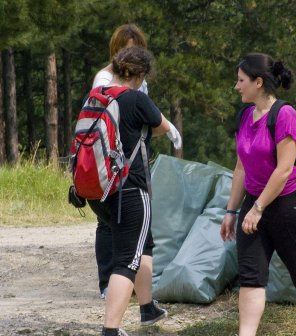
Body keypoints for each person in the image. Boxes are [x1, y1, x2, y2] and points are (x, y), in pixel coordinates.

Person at [220, 53, 296, 336]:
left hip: (290, 204)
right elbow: (240, 167)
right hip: (255, 202)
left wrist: (258, 209)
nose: (237, 87)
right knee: (250, 276)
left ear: (258, 82)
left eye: (241, 81)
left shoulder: (285, 115)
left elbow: (284, 170)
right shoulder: (245, 116)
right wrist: (231, 211)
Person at [90, 23, 181, 300]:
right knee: (108, 223)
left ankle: (135, 290)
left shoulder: (141, 82)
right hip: (112, 160)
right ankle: (110, 283)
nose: (130, 54)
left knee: (135, 224)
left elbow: (144, 118)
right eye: (125, 49)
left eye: (136, 49)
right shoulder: (104, 79)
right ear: (115, 51)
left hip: (135, 156)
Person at [99, 46, 176, 336]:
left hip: (101, 190)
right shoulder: (135, 98)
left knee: (140, 245)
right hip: (131, 188)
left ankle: (147, 308)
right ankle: (111, 329)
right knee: (128, 260)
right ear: (140, 74)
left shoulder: (99, 96)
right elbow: (162, 126)